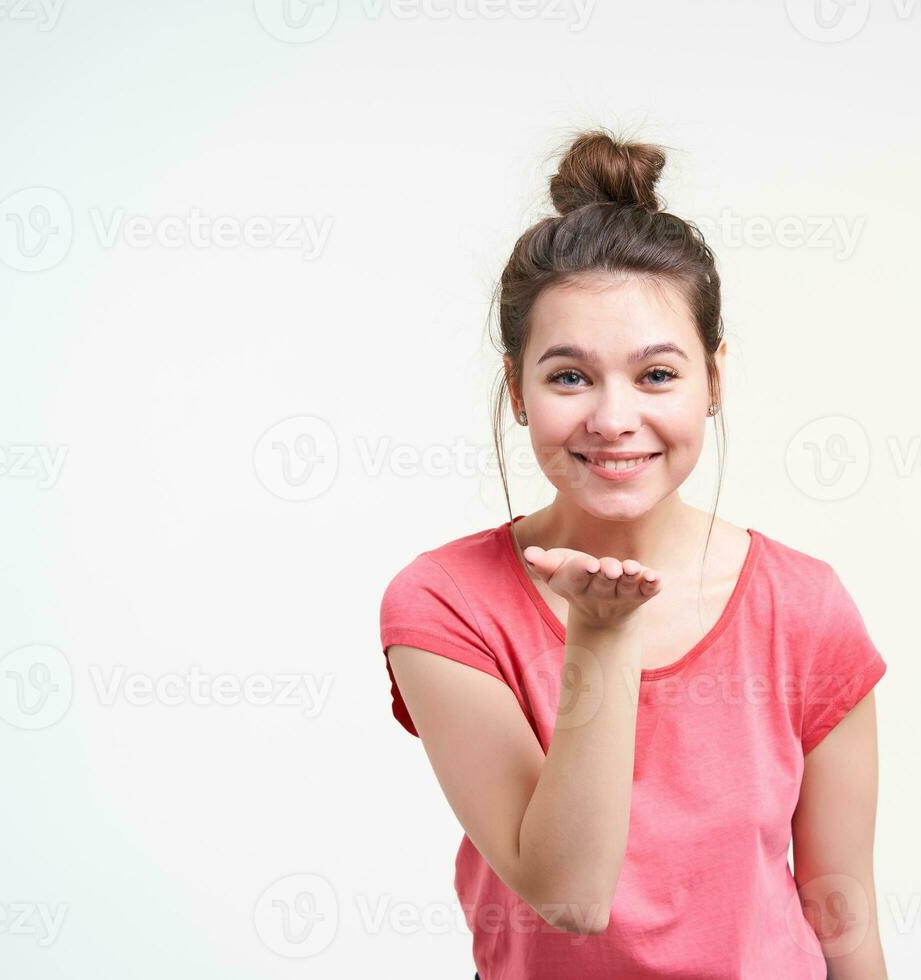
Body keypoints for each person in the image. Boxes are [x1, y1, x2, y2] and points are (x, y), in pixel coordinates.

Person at [379, 128, 890, 979]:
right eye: (569, 376)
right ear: (517, 391)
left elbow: (843, 913)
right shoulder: (444, 605)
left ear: (713, 381)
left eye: (657, 375)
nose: (614, 419)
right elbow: (571, 894)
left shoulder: (805, 606)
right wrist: (602, 634)